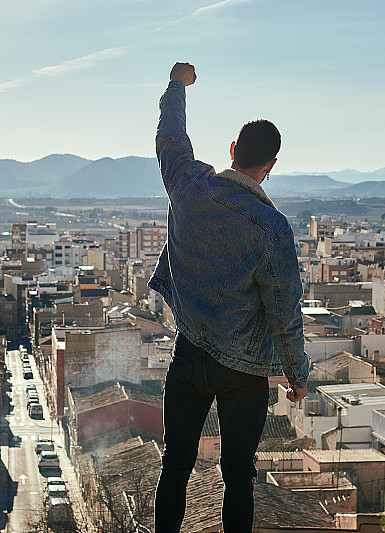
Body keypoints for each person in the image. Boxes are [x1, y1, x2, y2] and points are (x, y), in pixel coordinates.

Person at [150, 62, 309, 532]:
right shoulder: (272, 228)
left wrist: (177, 86)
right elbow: (285, 314)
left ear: (233, 150)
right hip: (244, 371)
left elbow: (170, 138)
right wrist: (297, 375)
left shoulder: (188, 184)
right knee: (238, 476)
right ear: (271, 167)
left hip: (189, 351)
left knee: (175, 464)